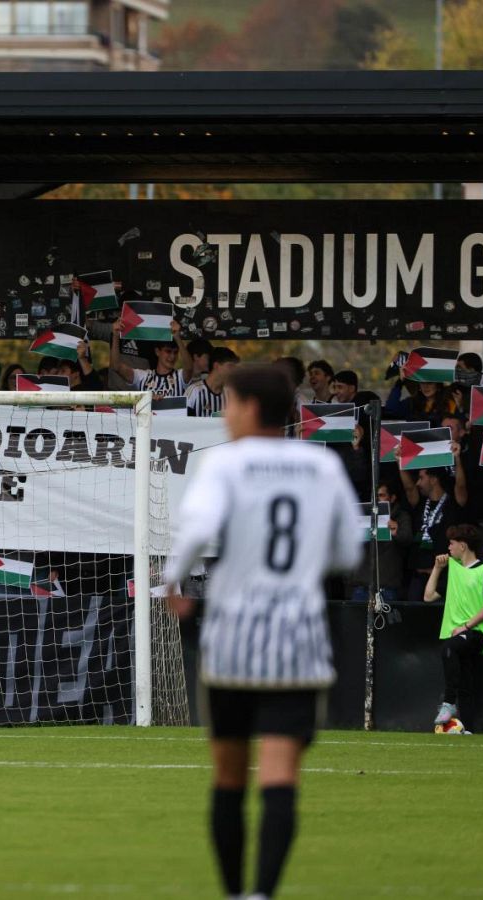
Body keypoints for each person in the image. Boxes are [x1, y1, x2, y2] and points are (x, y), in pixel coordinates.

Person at [166, 364, 363, 900]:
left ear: (251, 407)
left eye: (228, 404)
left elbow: (198, 530)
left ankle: (232, 892)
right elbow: (348, 550)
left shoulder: (226, 465)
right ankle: (263, 894)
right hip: (298, 646)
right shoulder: (320, 466)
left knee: (229, 775)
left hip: (232, 643)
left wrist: (172, 583)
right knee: (280, 776)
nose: (225, 415)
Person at [423, 524, 483, 730]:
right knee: (466, 682)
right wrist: (437, 569)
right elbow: (428, 596)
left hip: (476, 633)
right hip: (457, 634)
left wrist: (466, 626)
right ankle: (469, 730)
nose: (449, 547)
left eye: (452, 543)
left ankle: (448, 703)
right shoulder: (453, 570)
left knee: (448, 649)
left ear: (463, 546)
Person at [400, 460, 468, 603]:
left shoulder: (453, 504)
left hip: (442, 577)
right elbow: (409, 488)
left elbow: (461, 486)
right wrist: (399, 461)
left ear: (434, 479)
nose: (418, 483)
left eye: (421, 478)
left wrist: (457, 458)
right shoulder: (420, 503)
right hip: (418, 577)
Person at [185, 347, 239, 417]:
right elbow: (183, 423)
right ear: (216, 366)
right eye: (230, 366)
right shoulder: (194, 391)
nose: (233, 371)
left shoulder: (230, 393)